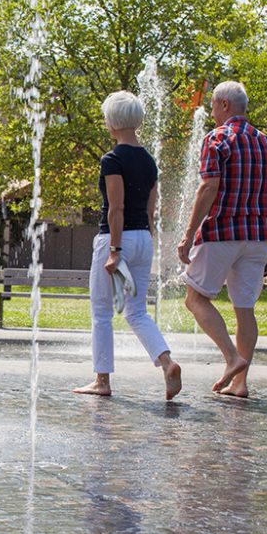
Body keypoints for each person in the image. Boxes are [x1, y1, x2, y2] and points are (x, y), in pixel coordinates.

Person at [74, 91, 182, 400]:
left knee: (101, 312)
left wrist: (114, 251)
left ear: (111, 122)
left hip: (115, 239)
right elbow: (151, 209)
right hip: (143, 238)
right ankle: (167, 362)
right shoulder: (149, 160)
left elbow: (115, 208)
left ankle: (102, 380)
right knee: (137, 312)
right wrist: (139, 242)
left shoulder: (113, 159)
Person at [177, 81, 267, 398]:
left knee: (195, 299)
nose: (211, 112)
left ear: (223, 105)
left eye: (212, 105)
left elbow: (208, 188)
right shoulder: (266, 143)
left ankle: (232, 358)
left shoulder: (217, 138)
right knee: (244, 309)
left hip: (222, 232)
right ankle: (240, 383)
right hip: (258, 236)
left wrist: (189, 234)